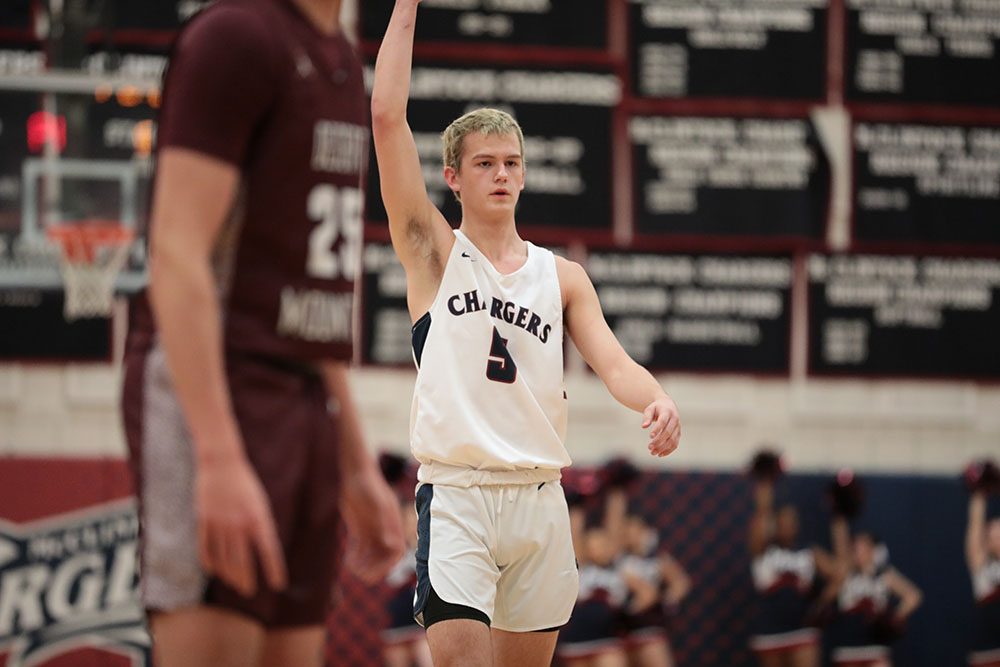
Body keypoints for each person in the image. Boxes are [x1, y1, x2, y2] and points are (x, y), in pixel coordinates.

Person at [370, 1, 682, 664]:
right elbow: (385, 119)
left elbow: (616, 364)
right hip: (457, 493)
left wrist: (655, 397)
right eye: (485, 164)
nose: (503, 174)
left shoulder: (562, 276)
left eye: (512, 162)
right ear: (452, 177)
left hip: (540, 499)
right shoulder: (433, 252)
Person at [120, 1, 404, 665]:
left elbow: (302, 294)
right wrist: (216, 454)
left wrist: (355, 460)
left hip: (304, 402)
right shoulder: (236, 36)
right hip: (220, 388)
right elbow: (176, 253)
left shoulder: (336, 54)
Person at [748, 475, 840, 667]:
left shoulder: (809, 552)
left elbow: (840, 576)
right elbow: (761, 514)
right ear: (775, 523)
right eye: (784, 520)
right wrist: (765, 481)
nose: (790, 524)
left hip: (801, 626)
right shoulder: (764, 551)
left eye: (793, 520)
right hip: (770, 628)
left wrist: (821, 602)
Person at [829, 522, 922, 667]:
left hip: (875, 649)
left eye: (862, 546)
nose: (858, 551)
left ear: (873, 549)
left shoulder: (884, 575)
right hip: (847, 650)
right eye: (855, 547)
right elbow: (839, 536)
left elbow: (914, 596)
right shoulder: (845, 574)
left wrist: (895, 617)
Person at [618, 514, 690, 667]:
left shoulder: (657, 559)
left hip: (649, 626)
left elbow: (681, 582)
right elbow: (643, 594)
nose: (630, 535)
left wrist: (667, 600)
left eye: (635, 530)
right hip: (622, 629)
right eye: (626, 532)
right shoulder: (620, 560)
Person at [965, 487, 1000, 666]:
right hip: (986, 651)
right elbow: (975, 528)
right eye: (993, 533)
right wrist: (979, 494)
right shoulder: (983, 567)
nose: (997, 536)